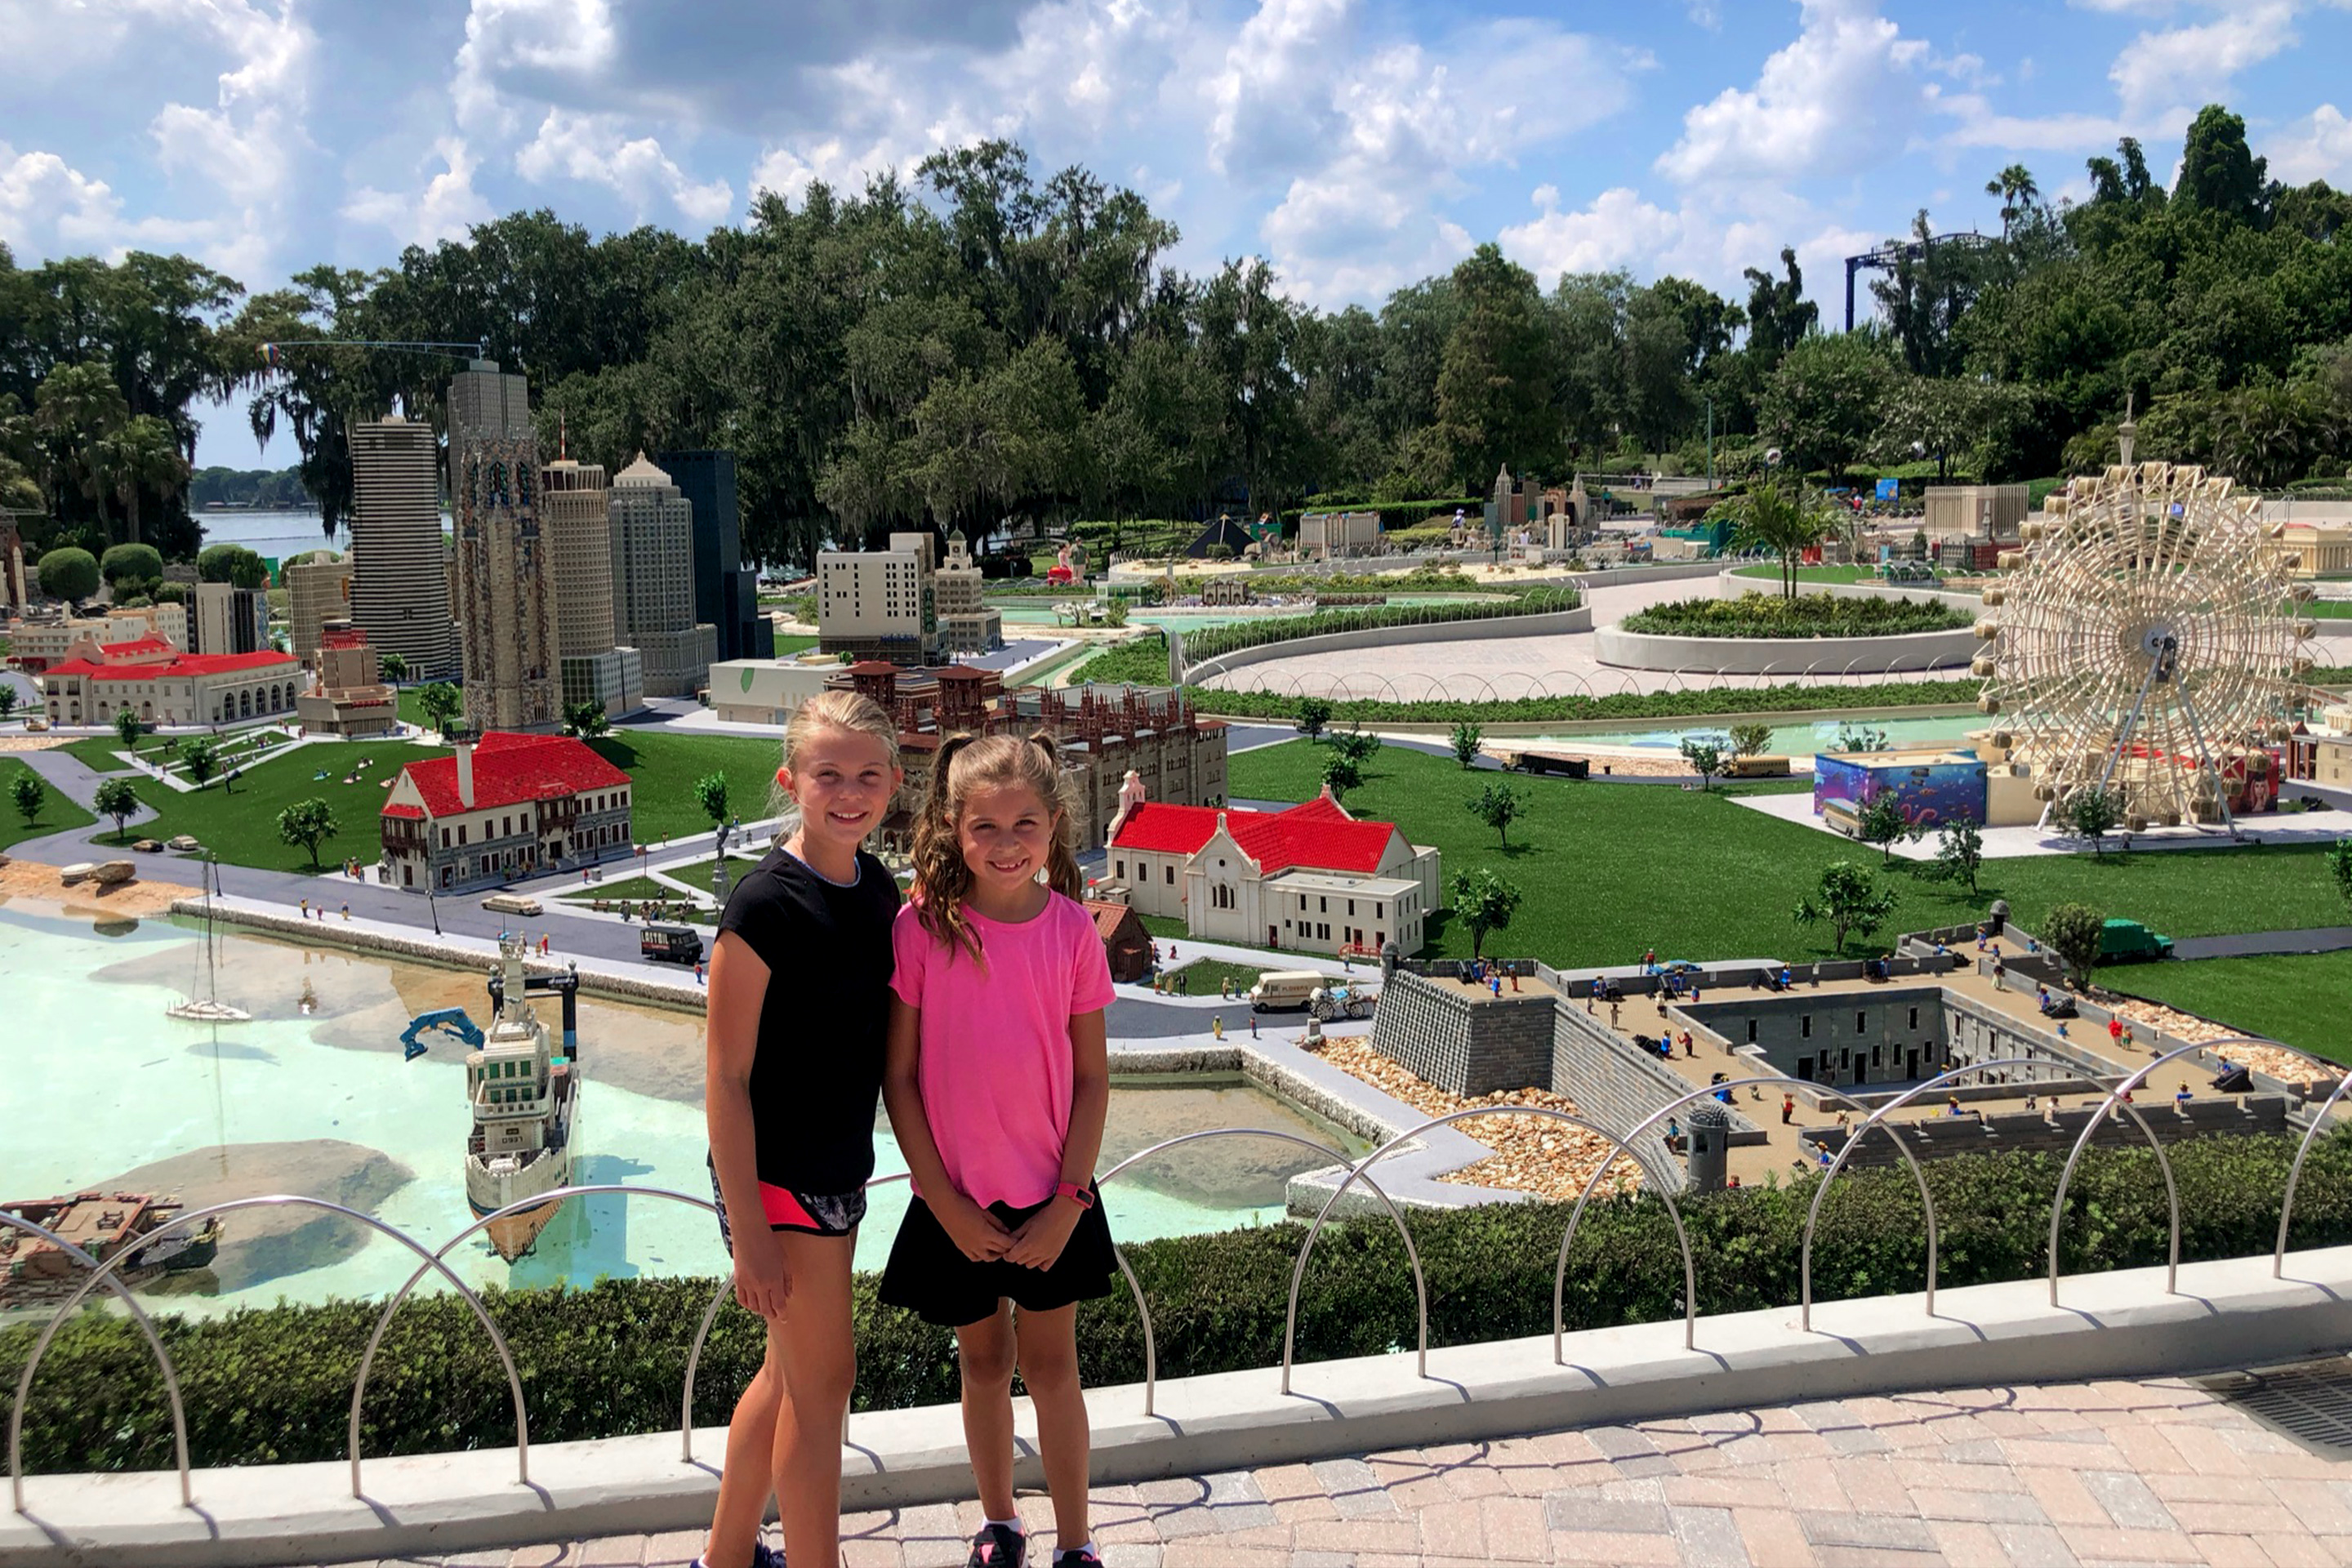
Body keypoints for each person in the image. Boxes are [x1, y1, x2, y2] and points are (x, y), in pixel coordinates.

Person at [880, 732, 1119, 1568]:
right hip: (956, 1205)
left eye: (1026, 824)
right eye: (986, 827)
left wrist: (1068, 1201)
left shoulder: (1073, 934)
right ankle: (1000, 1521)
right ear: (951, 826)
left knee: (1055, 1371)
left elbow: (1093, 1081)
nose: (1008, 844)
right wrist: (942, 1203)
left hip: (1052, 1201)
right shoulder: (920, 932)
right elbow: (899, 1080)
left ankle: (1076, 1540)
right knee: (982, 1364)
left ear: (1054, 825)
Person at [696, 691, 905, 1568]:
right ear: (792, 781)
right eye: (828, 775)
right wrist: (749, 1232)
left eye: (867, 774)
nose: (848, 792)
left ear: (894, 784)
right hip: (776, 1175)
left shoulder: (876, 888)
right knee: (825, 1389)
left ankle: (728, 1555)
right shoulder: (763, 906)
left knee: (790, 1378)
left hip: (836, 1169)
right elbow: (726, 1078)